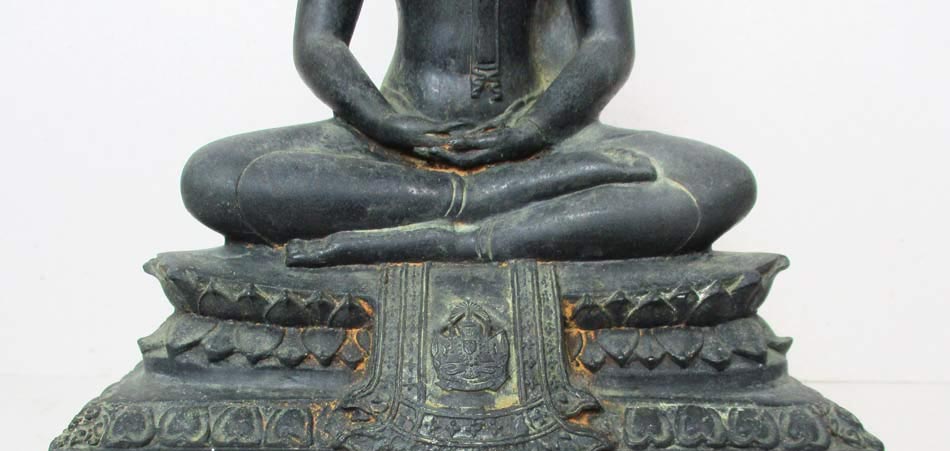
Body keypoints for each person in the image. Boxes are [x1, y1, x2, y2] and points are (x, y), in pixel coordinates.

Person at [181, 0, 757, 266]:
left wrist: (536, 128)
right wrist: (383, 121)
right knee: (217, 177)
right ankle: (481, 201)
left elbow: (607, 44)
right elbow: (319, 41)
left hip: (549, 140)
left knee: (718, 181)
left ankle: (468, 238)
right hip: (396, 142)